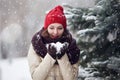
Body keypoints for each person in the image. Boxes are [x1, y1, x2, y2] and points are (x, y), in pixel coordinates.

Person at [27, 5, 80, 80]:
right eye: (52, 28)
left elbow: (71, 78)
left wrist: (62, 56)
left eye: (59, 28)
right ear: (46, 27)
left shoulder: (72, 46)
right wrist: (50, 56)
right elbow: (36, 77)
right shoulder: (37, 44)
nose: (55, 32)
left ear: (64, 29)